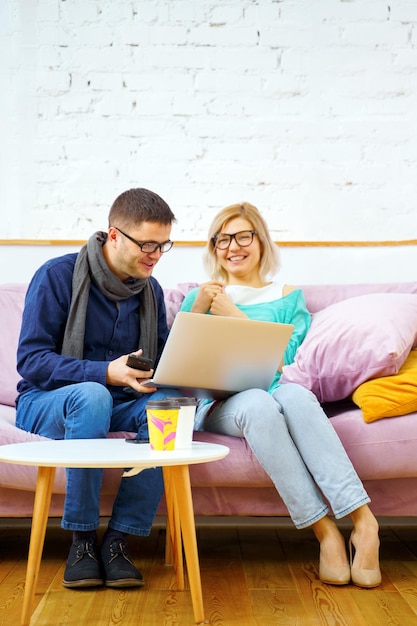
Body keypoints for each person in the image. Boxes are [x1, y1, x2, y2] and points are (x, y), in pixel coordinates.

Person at [180, 202, 381, 588]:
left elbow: (285, 361)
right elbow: (181, 366)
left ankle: (364, 523)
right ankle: (325, 533)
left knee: (296, 397)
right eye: (222, 239)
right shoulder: (201, 296)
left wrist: (233, 313)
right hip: (222, 404)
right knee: (258, 403)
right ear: (213, 247)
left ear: (260, 240)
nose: (232, 246)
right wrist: (208, 306)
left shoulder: (288, 297)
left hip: (276, 392)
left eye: (242, 235)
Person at [16, 188, 181, 590]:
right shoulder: (57, 276)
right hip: (46, 400)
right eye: (146, 244)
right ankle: (83, 540)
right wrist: (104, 372)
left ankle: (118, 540)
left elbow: (155, 362)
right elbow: (31, 361)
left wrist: (175, 372)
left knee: (168, 409)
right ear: (114, 235)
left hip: (122, 400)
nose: (155, 255)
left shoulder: (151, 291)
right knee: (94, 393)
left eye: (163, 245)